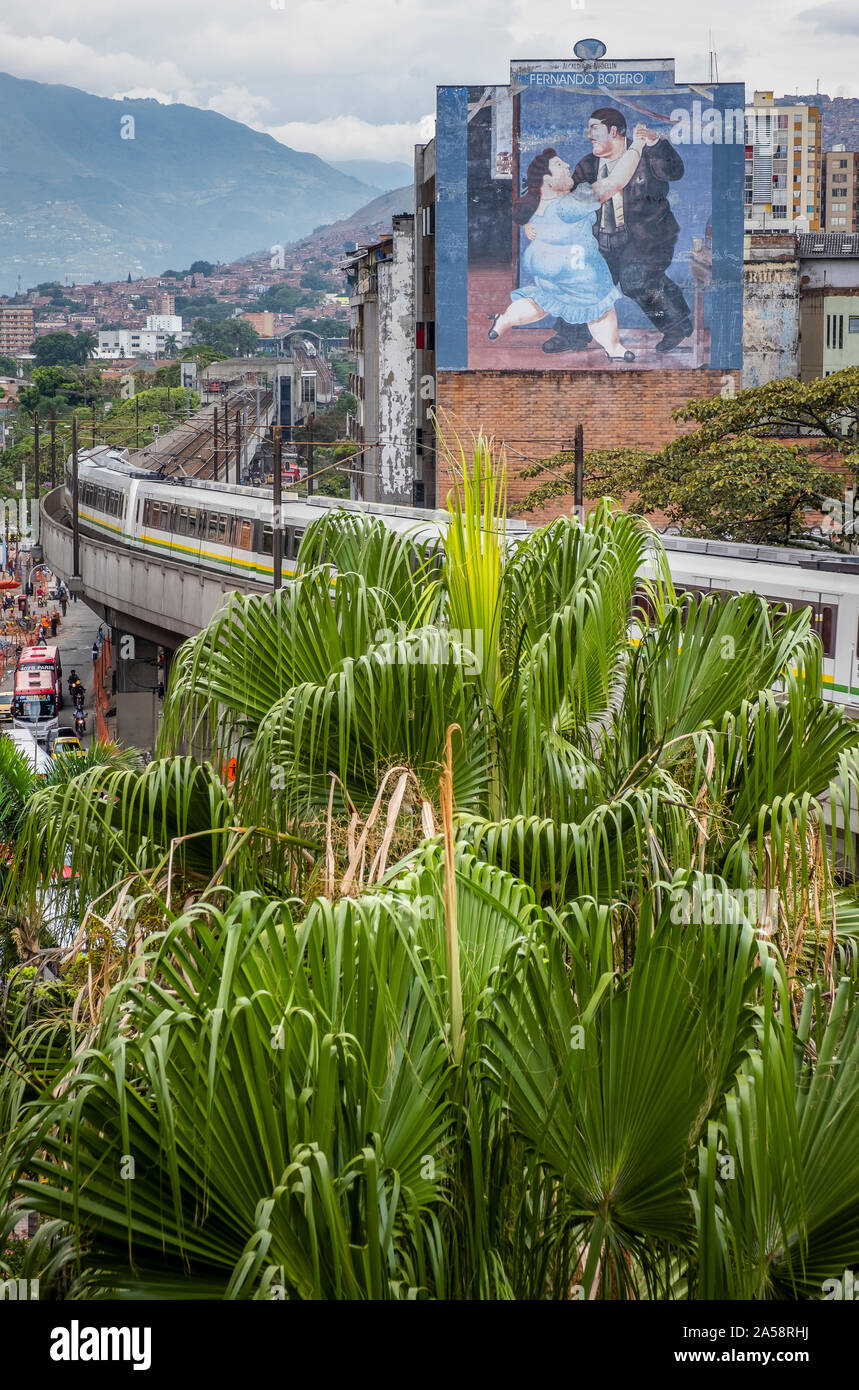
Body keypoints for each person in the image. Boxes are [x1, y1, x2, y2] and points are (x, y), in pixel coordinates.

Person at [487, 133, 648, 362]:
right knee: (599, 306)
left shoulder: (535, 205)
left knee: (541, 301)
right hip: (577, 272)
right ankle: (613, 347)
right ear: (548, 181)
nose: (568, 166)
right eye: (560, 165)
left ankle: (503, 320)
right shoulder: (570, 205)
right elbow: (615, 181)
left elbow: (525, 216)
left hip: (546, 269)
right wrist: (638, 145)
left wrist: (528, 224)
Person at [552, 108, 692, 355]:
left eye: (594, 128)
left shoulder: (647, 155)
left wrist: (657, 143)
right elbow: (574, 200)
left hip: (646, 235)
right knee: (585, 279)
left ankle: (677, 326)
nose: (590, 135)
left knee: (635, 278)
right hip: (602, 237)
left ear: (613, 131)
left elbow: (676, 172)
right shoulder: (587, 164)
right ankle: (571, 335)